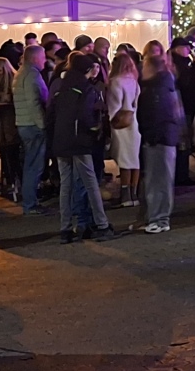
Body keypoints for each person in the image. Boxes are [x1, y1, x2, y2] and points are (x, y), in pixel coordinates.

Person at [50, 52, 118, 242]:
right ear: (87, 69)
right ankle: (102, 224)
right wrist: (95, 130)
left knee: (66, 185)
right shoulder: (86, 89)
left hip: (61, 141)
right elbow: (87, 117)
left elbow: (50, 115)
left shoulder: (59, 86)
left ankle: (65, 229)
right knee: (90, 183)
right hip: (79, 142)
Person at [136, 45, 184, 233]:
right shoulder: (158, 87)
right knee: (154, 180)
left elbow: (161, 115)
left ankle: (160, 219)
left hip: (160, 138)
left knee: (160, 180)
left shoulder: (158, 89)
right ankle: (152, 217)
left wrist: (153, 135)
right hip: (157, 137)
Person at [12, 43, 52, 216]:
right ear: (36, 58)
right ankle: (30, 204)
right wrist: (42, 124)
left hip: (24, 123)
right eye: (43, 57)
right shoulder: (31, 75)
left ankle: (30, 202)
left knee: (31, 164)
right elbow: (34, 102)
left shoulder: (22, 73)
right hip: (32, 125)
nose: (45, 61)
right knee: (33, 165)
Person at [107, 46, 142, 208]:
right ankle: (134, 194)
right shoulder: (134, 81)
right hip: (134, 122)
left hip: (121, 124)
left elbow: (114, 106)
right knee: (135, 160)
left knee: (124, 160)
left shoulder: (115, 82)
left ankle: (125, 195)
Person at [0, 43, 20, 202]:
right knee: (5, 154)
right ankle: (9, 182)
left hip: (9, 125)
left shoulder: (13, 83)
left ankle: (15, 182)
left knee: (13, 155)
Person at [171, 37, 195, 186]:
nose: (189, 51)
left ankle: (181, 173)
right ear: (177, 48)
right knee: (183, 140)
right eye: (186, 48)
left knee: (184, 141)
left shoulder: (179, 62)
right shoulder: (179, 64)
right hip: (182, 107)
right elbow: (186, 82)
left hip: (184, 105)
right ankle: (181, 175)